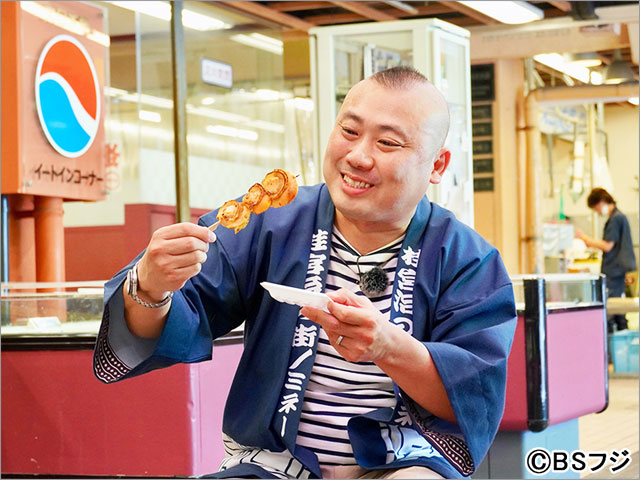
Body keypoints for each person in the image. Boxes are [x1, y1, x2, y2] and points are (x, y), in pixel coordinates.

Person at [94, 66, 516, 479]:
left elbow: (470, 395)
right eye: (349, 131)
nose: (357, 156)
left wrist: (387, 347)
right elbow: (180, 314)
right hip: (272, 461)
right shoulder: (270, 220)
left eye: (387, 143)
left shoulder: (468, 259)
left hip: (404, 460)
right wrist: (149, 285)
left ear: (437, 165)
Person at [575, 188, 637, 332]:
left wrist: (585, 238)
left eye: (595, 208)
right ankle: (620, 345)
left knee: (614, 310)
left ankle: (617, 345)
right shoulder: (618, 217)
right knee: (618, 311)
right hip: (617, 270)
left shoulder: (616, 218)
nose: (597, 212)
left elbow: (607, 245)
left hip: (615, 271)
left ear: (602, 201)